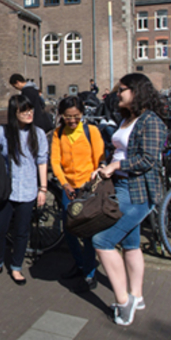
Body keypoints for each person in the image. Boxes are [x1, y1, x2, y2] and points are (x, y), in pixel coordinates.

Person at [92, 73, 167, 326]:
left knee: (102, 240)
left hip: (139, 191)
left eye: (122, 89)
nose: (117, 94)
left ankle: (124, 303)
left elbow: (148, 159)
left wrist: (116, 166)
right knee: (131, 244)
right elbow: (119, 150)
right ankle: (138, 296)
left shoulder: (152, 122)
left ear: (136, 91)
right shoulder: (128, 119)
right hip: (122, 185)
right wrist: (106, 165)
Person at [0, 95, 49, 285]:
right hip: (6, 190)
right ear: (14, 112)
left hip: (28, 190)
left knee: (21, 231)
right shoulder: (3, 132)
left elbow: (42, 161)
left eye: (30, 109)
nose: (29, 113)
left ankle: (16, 268)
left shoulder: (39, 134)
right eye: (23, 110)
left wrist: (43, 188)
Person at [51, 96, 104, 291]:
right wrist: (64, 184)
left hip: (88, 188)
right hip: (69, 188)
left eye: (76, 116)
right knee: (69, 229)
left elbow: (99, 159)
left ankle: (89, 272)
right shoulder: (58, 134)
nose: (72, 121)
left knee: (88, 231)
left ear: (82, 114)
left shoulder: (91, 131)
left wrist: (92, 182)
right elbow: (55, 161)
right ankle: (80, 263)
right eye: (68, 117)